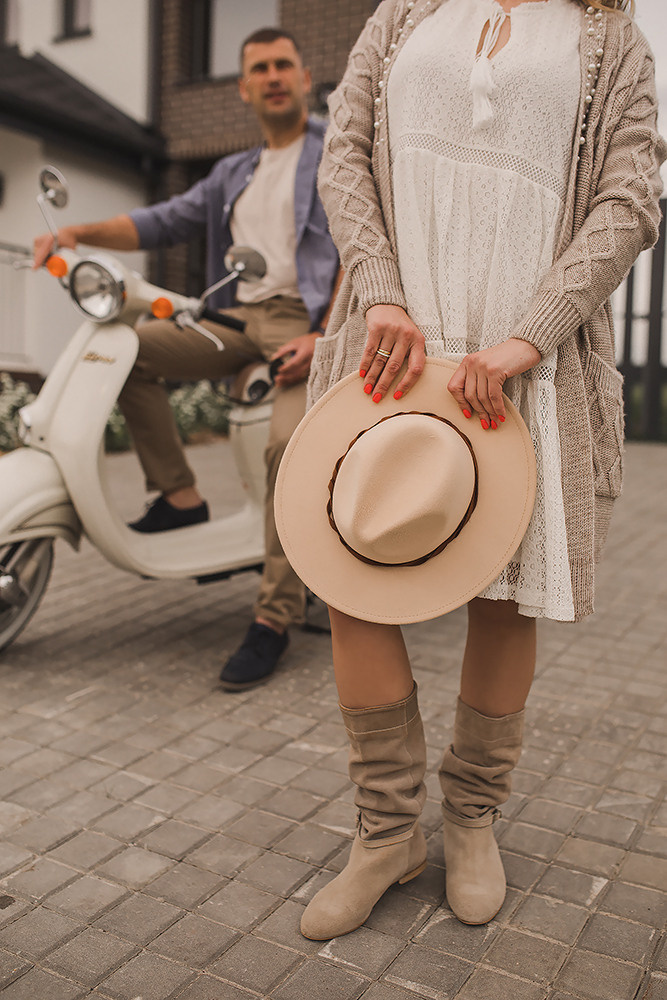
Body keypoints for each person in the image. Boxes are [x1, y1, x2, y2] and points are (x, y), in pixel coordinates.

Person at [280, 0, 665, 939]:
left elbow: (628, 202)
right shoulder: (405, 11)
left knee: (504, 590)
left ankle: (472, 817)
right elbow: (345, 155)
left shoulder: (609, 35)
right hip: (395, 339)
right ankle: (384, 832)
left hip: (519, 358)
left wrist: (529, 339)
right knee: (355, 574)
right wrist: (378, 293)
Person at [33, 28, 340, 691]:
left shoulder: (337, 153)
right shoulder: (232, 171)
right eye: (259, 67)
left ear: (304, 75)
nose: (273, 75)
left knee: (287, 447)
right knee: (125, 351)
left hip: (302, 319)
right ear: (244, 87)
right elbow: (162, 221)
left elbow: (362, 244)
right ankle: (180, 496)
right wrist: (77, 232)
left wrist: (327, 335)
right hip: (230, 317)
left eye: (283, 63)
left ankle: (274, 617)